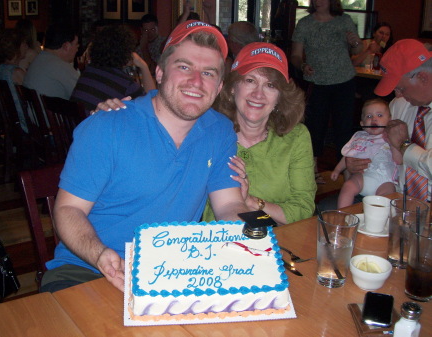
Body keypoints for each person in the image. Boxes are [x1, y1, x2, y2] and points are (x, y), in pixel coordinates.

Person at [41, 20, 249, 293]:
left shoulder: (220, 131)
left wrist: (259, 239)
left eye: (208, 73)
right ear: (160, 73)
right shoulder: (107, 126)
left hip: (169, 274)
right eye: (184, 67)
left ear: (219, 86)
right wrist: (100, 255)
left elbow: (228, 206)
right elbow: (68, 209)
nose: (196, 82)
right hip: (87, 270)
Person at [203, 42, 316, 224]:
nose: (258, 94)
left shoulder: (296, 137)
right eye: (250, 80)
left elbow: (303, 210)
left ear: (280, 97)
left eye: (270, 85)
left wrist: (250, 201)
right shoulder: (210, 134)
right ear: (232, 88)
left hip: (282, 243)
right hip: (219, 242)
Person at [347, 39, 432, 202]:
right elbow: (378, 147)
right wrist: (355, 164)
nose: (398, 95)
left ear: (422, 78)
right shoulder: (399, 105)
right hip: (395, 196)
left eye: (400, 88)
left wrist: (405, 145)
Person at [291, 0, 363, 184]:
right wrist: (303, 65)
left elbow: (357, 48)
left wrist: (354, 42)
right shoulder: (305, 23)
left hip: (344, 81)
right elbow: (296, 55)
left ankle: (347, 171)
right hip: (317, 82)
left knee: (344, 128)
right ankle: (313, 170)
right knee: (314, 127)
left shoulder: (344, 20)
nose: (318, 1)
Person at [70, 25, 155, 116]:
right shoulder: (126, 85)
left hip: (80, 125)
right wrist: (143, 66)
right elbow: (153, 106)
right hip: (97, 127)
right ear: (126, 52)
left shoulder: (89, 72)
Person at [331, 99, 402, 208]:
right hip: (364, 176)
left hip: (385, 180)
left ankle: (377, 219)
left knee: (388, 196)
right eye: (369, 116)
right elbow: (348, 155)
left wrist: (393, 144)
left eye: (379, 115)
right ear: (362, 124)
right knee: (348, 186)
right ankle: (343, 213)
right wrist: (337, 169)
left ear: (389, 120)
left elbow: (399, 160)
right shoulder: (360, 137)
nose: (374, 119)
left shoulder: (391, 137)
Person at [23, 24, 80, 99]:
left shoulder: (39, 59)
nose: (77, 50)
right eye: (76, 45)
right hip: (49, 110)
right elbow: (84, 94)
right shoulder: (60, 66)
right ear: (66, 46)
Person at [0, 29, 29, 133]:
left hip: (10, 120)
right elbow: (32, 97)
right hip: (23, 123)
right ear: (16, 47)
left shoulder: (0, 69)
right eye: (24, 43)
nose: (27, 46)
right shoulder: (16, 72)